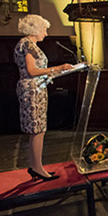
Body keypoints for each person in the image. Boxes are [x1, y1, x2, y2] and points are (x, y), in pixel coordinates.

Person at [14, 14, 73, 181]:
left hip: (34, 89)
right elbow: (32, 71)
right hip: (33, 91)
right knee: (38, 130)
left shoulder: (26, 44)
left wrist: (55, 72)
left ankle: (35, 166)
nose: (46, 33)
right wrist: (57, 68)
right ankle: (38, 168)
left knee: (36, 130)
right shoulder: (27, 44)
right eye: (44, 29)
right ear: (35, 29)